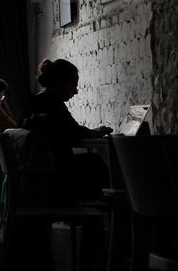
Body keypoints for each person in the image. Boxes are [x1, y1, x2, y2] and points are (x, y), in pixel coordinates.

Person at [21, 58, 112, 201]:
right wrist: (97, 132)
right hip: (54, 178)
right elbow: (74, 131)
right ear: (59, 84)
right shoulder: (53, 104)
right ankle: (102, 213)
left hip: (33, 174)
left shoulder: (34, 101)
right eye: (73, 85)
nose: (76, 91)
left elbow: (68, 129)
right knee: (95, 164)